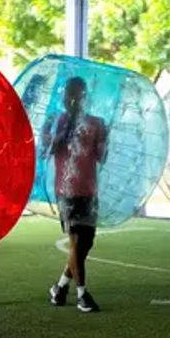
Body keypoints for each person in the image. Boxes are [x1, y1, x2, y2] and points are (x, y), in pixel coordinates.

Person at [42, 77, 107, 312]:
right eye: (70, 94)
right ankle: (82, 294)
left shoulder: (96, 123)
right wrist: (53, 135)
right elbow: (45, 152)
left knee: (86, 244)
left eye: (78, 94)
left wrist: (104, 138)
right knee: (77, 242)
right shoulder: (58, 121)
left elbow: (102, 157)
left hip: (89, 189)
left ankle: (60, 287)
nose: (74, 99)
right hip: (66, 190)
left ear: (84, 96)